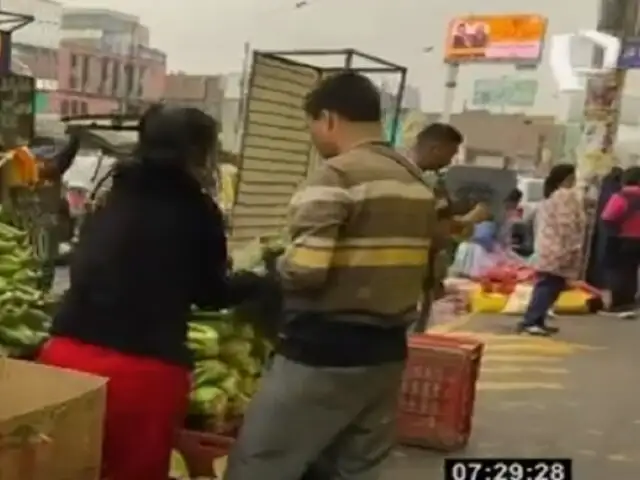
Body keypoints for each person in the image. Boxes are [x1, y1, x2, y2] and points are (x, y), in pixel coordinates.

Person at [224, 72, 437, 480]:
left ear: (328, 119)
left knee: (262, 464)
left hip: (322, 355)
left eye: (312, 127)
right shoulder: (415, 183)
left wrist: (271, 267)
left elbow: (306, 271)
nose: (314, 138)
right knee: (353, 469)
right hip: (386, 356)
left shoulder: (336, 177)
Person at [39, 105, 262, 480]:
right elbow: (210, 293)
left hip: (64, 357)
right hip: (140, 374)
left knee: (59, 470)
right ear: (197, 153)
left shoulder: (111, 196)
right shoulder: (196, 210)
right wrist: (258, 282)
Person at [518, 164, 585, 336]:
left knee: (550, 285)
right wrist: (571, 247)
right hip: (559, 248)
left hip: (549, 247)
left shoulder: (551, 197)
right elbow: (566, 224)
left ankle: (537, 320)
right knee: (548, 286)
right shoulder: (566, 195)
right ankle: (531, 320)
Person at [600, 165, 640, 317]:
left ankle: (619, 302)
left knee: (619, 271)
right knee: (633, 271)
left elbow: (608, 217)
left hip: (622, 238)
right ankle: (631, 300)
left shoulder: (621, 196)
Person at [587, 166, 623, 289]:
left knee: (600, 255)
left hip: (602, 227)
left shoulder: (605, 188)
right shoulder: (618, 191)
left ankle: (597, 282)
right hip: (615, 231)